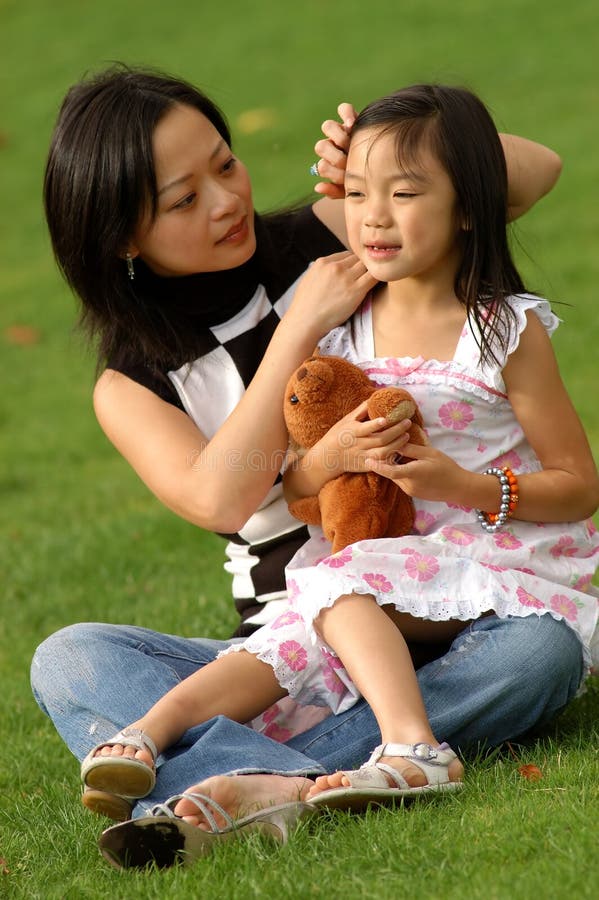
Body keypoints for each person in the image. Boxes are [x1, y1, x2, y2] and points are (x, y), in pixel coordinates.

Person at [30, 65, 581, 869]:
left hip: (452, 603)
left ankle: (238, 783)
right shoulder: (133, 383)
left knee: (541, 654)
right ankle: (295, 777)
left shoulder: (327, 233)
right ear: (121, 236)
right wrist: (295, 332)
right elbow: (224, 495)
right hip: (281, 646)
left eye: (225, 164)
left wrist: (380, 162)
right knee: (70, 656)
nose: (225, 202)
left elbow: (533, 170)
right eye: (184, 200)